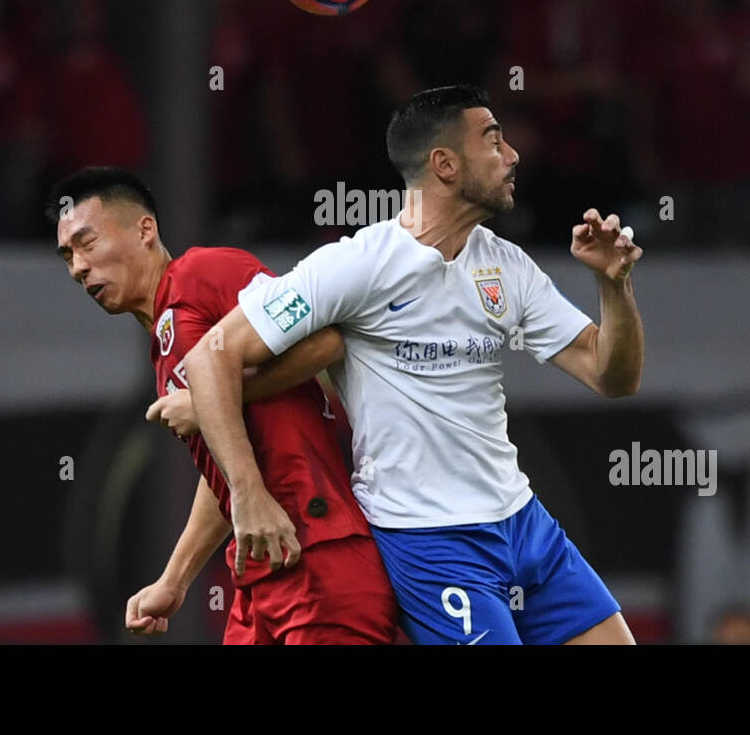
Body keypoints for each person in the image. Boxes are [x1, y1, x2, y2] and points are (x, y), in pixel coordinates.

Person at [182, 84, 645, 644]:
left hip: (523, 521)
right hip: (432, 542)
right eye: (493, 141)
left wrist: (613, 286)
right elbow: (211, 357)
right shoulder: (357, 266)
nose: (513, 155)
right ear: (444, 164)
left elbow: (613, 376)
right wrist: (248, 494)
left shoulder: (507, 265)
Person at [48, 166, 397, 644]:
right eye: (67, 255)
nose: (77, 267)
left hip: (318, 557)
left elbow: (325, 342)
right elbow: (225, 469)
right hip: (260, 575)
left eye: (87, 244)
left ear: (145, 229)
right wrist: (175, 579)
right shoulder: (164, 343)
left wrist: (213, 403)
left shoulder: (203, 272)